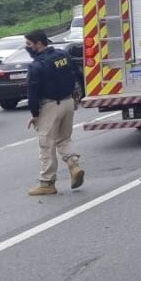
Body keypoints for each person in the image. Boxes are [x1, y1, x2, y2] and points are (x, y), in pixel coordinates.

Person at [24, 30, 85, 196]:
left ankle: (47, 183)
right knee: (64, 139)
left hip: (50, 106)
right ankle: (74, 165)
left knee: (46, 143)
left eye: (29, 44)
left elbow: (32, 91)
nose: (27, 47)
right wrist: (80, 96)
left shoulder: (37, 65)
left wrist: (35, 113)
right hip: (68, 103)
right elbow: (77, 74)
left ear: (38, 43)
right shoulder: (62, 55)